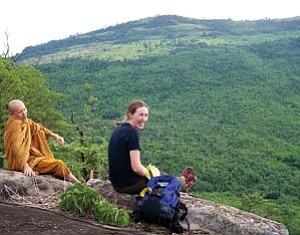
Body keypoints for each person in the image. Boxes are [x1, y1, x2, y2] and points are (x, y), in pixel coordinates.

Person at [108, 99, 196, 194]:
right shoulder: (132, 133)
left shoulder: (120, 128)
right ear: (130, 114)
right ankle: (184, 184)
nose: (144, 119)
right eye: (141, 115)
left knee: (160, 174)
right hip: (128, 185)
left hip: (118, 182)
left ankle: (182, 179)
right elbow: (136, 168)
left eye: (146, 115)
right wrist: (152, 176)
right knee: (170, 181)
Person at [4, 99, 80, 183]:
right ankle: (78, 183)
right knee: (59, 164)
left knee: (39, 132)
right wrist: (24, 166)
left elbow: (38, 127)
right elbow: (16, 148)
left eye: (24, 110)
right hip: (20, 161)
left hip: (29, 156)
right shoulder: (15, 125)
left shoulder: (25, 121)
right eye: (20, 112)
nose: (24, 113)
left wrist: (55, 135)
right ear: (12, 114)